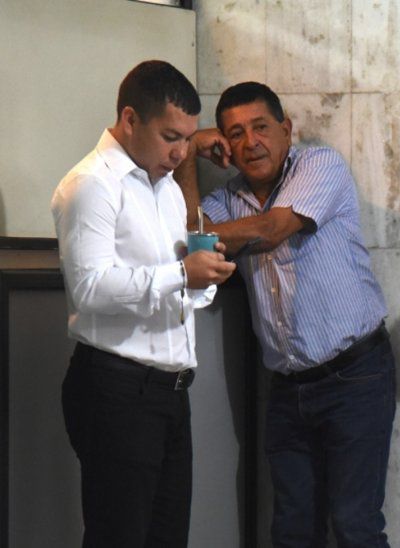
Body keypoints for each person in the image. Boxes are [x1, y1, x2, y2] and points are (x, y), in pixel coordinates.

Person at [174, 81, 396, 548]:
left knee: (355, 525)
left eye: (260, 127)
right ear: (225, 146)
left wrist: (209, 235)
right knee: (292, 530)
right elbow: (188, 236)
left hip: (355, 377)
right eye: (235, 134)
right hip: (287, 387)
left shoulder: (320, 166)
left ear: (286, 130)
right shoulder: (227, 199)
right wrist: (190, 152)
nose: (250, 142)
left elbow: (272, 229)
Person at [51, 60, 236, 548]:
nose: (181, 153)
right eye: (170, 137)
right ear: (130, 119)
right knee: (119, 538)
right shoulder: (92, 184)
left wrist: (202, 277)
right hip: (116, 390)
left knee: (167, 538)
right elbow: (89, 289)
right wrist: (181, 274)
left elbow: (172, 288)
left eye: (188, 139)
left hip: (170, 392)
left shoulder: (166, 189)